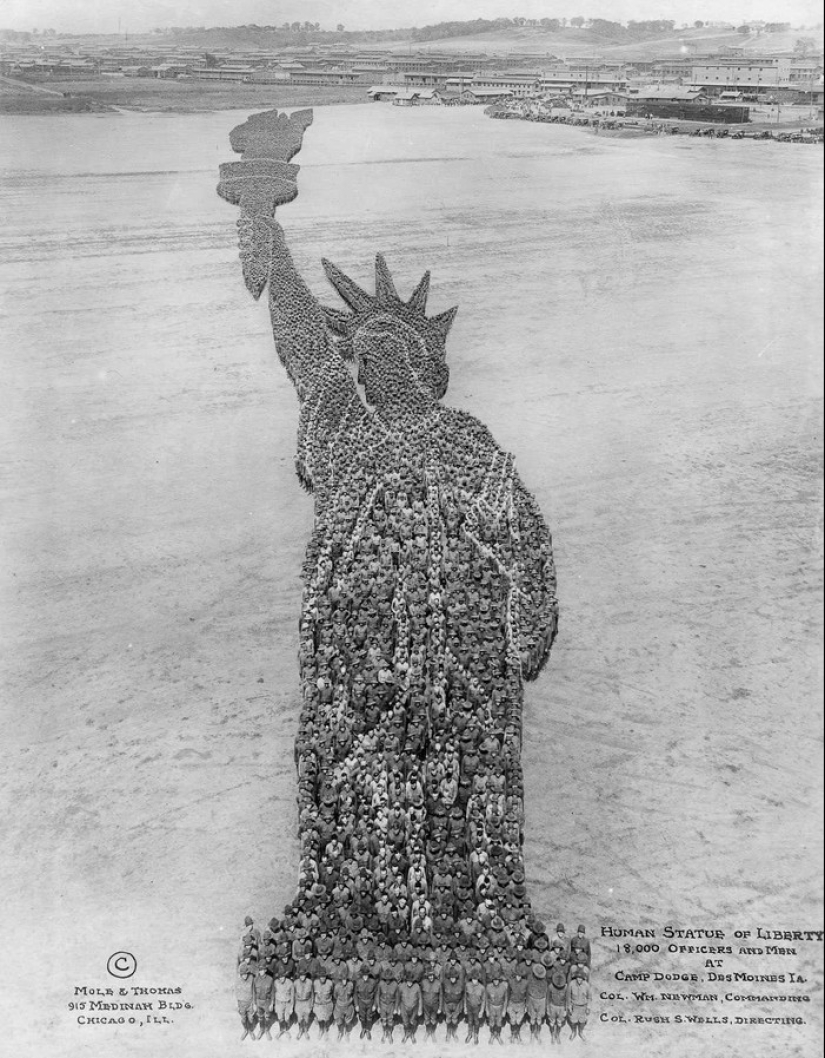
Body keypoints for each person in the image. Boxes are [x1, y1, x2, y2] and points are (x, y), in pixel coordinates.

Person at [398, 967, 423, 1042]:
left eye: (411, 981)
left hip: (414, 1007)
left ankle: (412, 1034)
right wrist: (398, 1008)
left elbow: (420, 998)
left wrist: (420, 1009)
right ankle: (406, 1034)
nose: (410, 982)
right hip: (404, 1007)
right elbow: (398, 998)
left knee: (412, 1021)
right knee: (405, 1022)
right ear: (406, 980)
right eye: (408, 981)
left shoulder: (417, 986)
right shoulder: (401, 986)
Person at [566, 966, 591, 1040]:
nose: (579, 979)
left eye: (581, 978)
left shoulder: (586, 985)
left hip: (583, 1007)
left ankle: (581, 1032)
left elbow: (589, 997)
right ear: (576, 977)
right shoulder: (571, 984)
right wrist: (569, 1006)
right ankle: (574, 1032)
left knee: (582, 1021)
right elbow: (568, 996)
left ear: (583, 978)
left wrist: (588, 1007)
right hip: (574, 1006)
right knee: (573, 1021)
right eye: (578, 978)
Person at [236, 960, 256, 1042]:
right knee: (243, 1019)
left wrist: (254, 1004)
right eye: (243, 974)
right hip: (242, 1003)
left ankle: (250, 1030)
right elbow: (237, 992)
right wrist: (238, 1005)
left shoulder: (251, 978)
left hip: (250, 1003)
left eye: (246, 974)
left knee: (251, 1019)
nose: (245, 976)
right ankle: (245, 1030)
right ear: (240, 974)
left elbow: (254, 990)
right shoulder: (238, 981)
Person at [272, 963, 295, 1038]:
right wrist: (274, 1005)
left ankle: (286, 1030)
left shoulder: (290, 983)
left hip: (287, 1003)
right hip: (279, 1003)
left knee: (287, 1018)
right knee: (280, 1018)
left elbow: (292, 996)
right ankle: (281, 1030)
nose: (281, 978)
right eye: (280, 977)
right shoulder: (275, 982)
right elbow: (274, 993)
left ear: (285, 976)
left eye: (283, 977)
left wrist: (291, 1007)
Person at [485, 970, 508, 1043]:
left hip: (500, 1007)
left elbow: (505, 999)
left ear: (499, 980)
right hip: (491, 1006)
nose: (496, 981)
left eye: (497, 980)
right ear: (492, 980)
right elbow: (486, 999)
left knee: (499, 1022)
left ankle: (498, 1035)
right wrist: (487, 1009)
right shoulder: (488, 987)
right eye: (494, 980)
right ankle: (492, 1035)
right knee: (491, 1021)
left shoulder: (503, 987)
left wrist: (504, 1010)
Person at [253, 962, 274, 1040]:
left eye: (262, 970)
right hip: (259, 1002)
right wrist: (254, 1004)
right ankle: (261, 1029)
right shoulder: (255, 979)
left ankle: (267, 1030)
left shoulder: (270, 979)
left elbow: (272, 992)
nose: (261, 971)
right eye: (260, 970)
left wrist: (272, 1003)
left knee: (267, 1017)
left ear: (265, 970)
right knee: (260, 1017)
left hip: (267, 1002)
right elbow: (254, 992)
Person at [464, 969, 486, 1045]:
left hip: (477, 1007)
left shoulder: (482, 988)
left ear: (478, 979)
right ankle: (469, 1034)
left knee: (476, 1022)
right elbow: (465, 997)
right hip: (469, 1006)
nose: (474, 981)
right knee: (470, 1021)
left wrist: (481, 1011)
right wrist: (465, 1007)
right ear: (471, 978)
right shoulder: (467, 985)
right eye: (473, 979)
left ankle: (476, 1035)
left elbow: (483, 1000)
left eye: (476, 979)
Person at [526, 962, 547, 1040]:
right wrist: (527, 1002)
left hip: (541, 1000)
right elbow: (528, 991)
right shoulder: (530, 979)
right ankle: (532, 1034)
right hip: (532, 999)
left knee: (539, 1019)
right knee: (532, 1018)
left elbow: (545, 992)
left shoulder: (544, 982)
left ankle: (537, 1033)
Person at [421, 965, 442, 1040]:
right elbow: (420, 995)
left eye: (432, 975)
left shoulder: (438, 983)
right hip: (426, 1005)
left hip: (435, 1005)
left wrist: (440, 1008)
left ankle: (432, 1032)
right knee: (426, 1019)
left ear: (434, 976)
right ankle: (427, 1031)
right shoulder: (423, 982)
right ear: (427, 976)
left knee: (433, 1019)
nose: (431, 977)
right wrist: (421, 1007)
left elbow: (441, 996)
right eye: (429, 976)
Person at [547, 968, 568, 1045]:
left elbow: (567, 998)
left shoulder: (566, 987)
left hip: (561, 1007)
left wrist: (566, 1010)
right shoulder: (551, 986)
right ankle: (553, 1036)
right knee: (552, 1022)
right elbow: (548, 998)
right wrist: (548, 1009)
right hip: (553, 1006)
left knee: (559, 1023)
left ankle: (558, 1035)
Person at [293, 964, 314, 1038]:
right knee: (299, 1018)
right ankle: (300, 1031)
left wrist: (311, 1004)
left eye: (304, 975)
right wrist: (294, 1005)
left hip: (307, 1002)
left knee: (306, 1018)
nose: (302, 977)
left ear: (306, 975)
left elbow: (312, 994)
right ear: (299, 975)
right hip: (298, 1002)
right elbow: (293, 994)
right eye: (301, 975)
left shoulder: (310, 982)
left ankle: (305, 1031)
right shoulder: (295, 983)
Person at [313, 968, 335, 1037]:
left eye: (324, 976)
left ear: (326, 976)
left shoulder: (330, 983)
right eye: (321, 977)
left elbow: (332, 992)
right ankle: (321, 1029)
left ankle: (326, 1030)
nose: (322, 978)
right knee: (319, 1018)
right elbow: (313, 993)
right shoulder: (315, 983)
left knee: (326, 1018)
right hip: (318, 1004)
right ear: (319, 977)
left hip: (327, 1003)